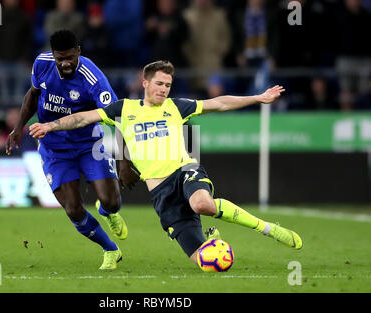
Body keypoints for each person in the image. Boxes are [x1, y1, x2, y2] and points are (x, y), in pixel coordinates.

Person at [29, 60, 303, 268]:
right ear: (145, 83)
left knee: (202, 204)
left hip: (184, 171)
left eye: (168, 85)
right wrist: (50, 125)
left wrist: (258, 98)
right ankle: (213, 237)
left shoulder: (177, 106)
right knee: (203, 261)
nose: (164, 89)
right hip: (160, 193)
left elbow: (218, 103)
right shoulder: (123, 109)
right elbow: (83, 118)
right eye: (159, 84)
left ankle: (270, 229)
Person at [6, 30, 137, 270]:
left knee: (111, 201)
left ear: (79, 51)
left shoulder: (93, 78)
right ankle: (110, 249)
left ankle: (108, 212)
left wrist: (125, 162)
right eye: (59, 58)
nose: (64, 63)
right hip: (54, 148)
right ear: (53, 55)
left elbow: (119, 117)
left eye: (69, 57)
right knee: (73, 209)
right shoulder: (42, 63)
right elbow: (32, 95)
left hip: (89, 144)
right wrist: (18, 128)